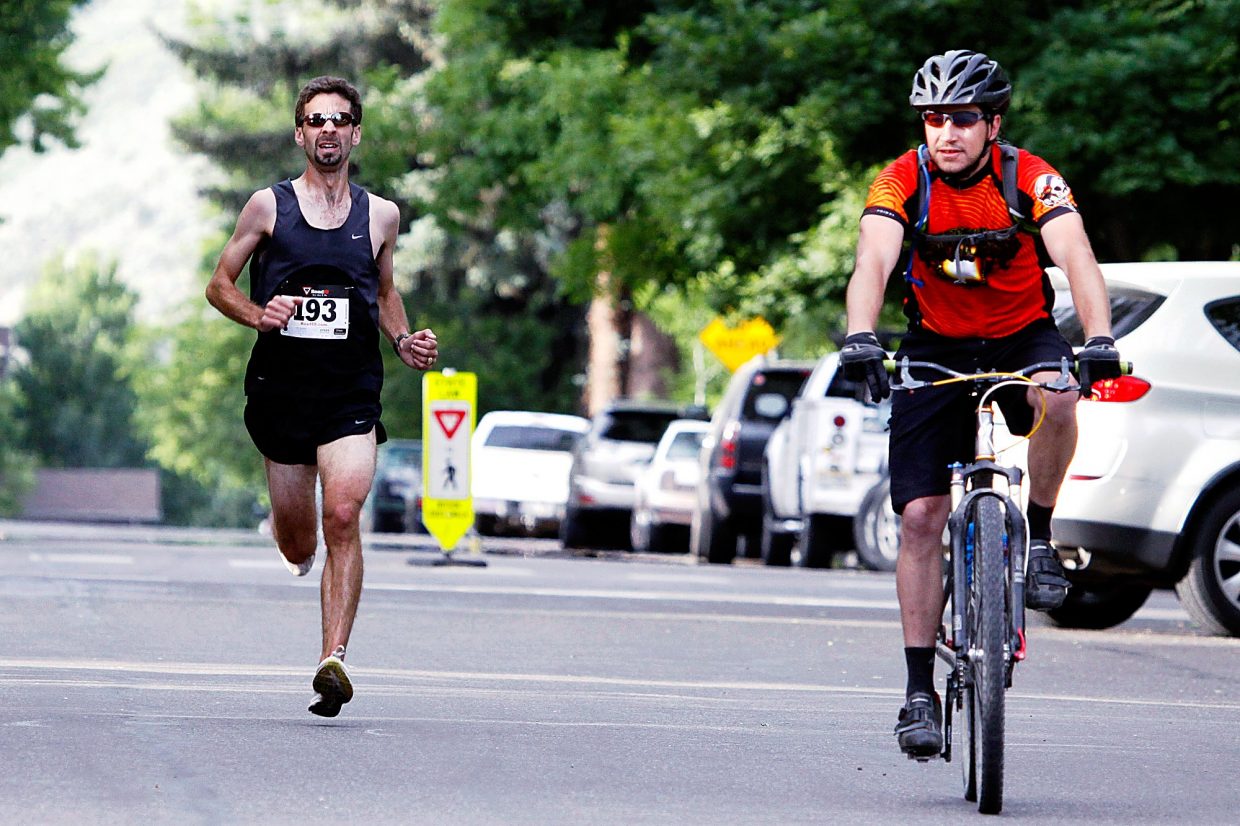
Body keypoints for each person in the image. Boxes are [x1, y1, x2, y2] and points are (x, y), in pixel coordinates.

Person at [840, 50, 1121, 758]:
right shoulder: (902, 179)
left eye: (964, 118)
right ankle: (915, 694)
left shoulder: (1030, 176)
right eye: (935, 118)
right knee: (920, 517)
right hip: (934, 343)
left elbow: (1076, 255)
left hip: (1021, 336)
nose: (947, 132)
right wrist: (861, 337)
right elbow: (873, 259)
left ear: (992, 123)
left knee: (1060, 398)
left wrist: (1099, 337)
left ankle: (1045, 538)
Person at [206, 75, 438, 717]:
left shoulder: (382, 215)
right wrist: (259, 314)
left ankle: (332, 658)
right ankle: (291, 546)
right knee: (299, 541)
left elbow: (384, 292)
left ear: (356, 133)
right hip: (281, 393)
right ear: (301, 133)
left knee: (343, 514)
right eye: (316, 121)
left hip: (350, 393)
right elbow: (219, 284)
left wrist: (403, 339)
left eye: (340, 120)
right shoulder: (267, 208)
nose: (328, 130)